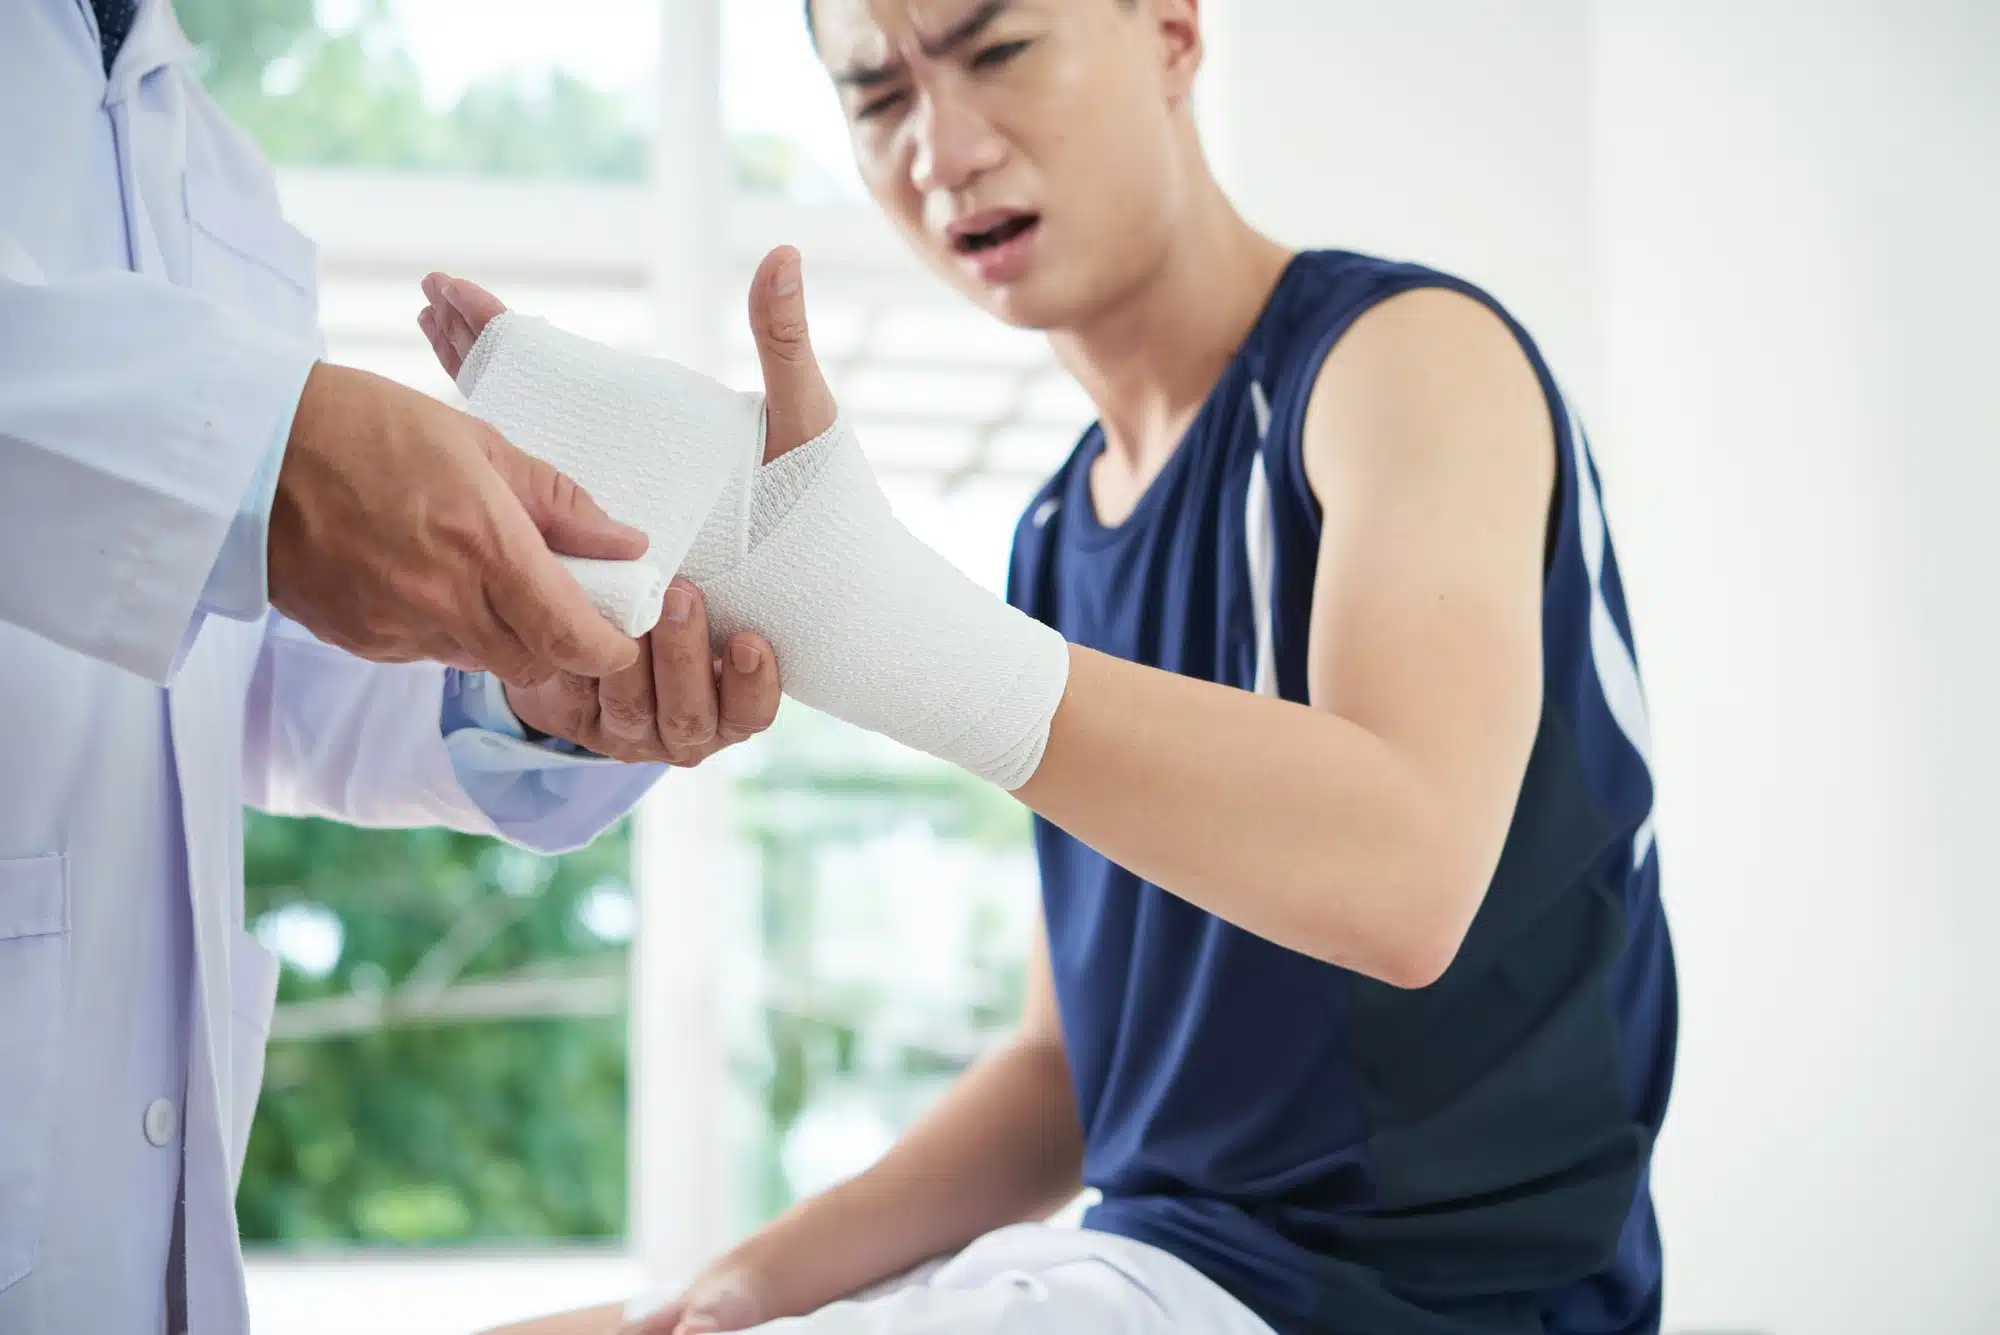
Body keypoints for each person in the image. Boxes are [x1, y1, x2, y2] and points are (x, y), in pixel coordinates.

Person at [467, 1, 1674, 1333]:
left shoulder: (1405, 357)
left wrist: (881, 625)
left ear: (1169, 29)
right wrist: (718, 1295)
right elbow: (1062, 1076)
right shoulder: (1053, 536)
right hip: (1146, 1271)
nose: (943, 151)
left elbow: (1409, 876)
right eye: (878, 98)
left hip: (1422, 1305)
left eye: (996, 51)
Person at [0, 4, 818, 1332]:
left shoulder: (217, 166)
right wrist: (266, 459)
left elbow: (223, 661)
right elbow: (201, 495)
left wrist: (517, 677)